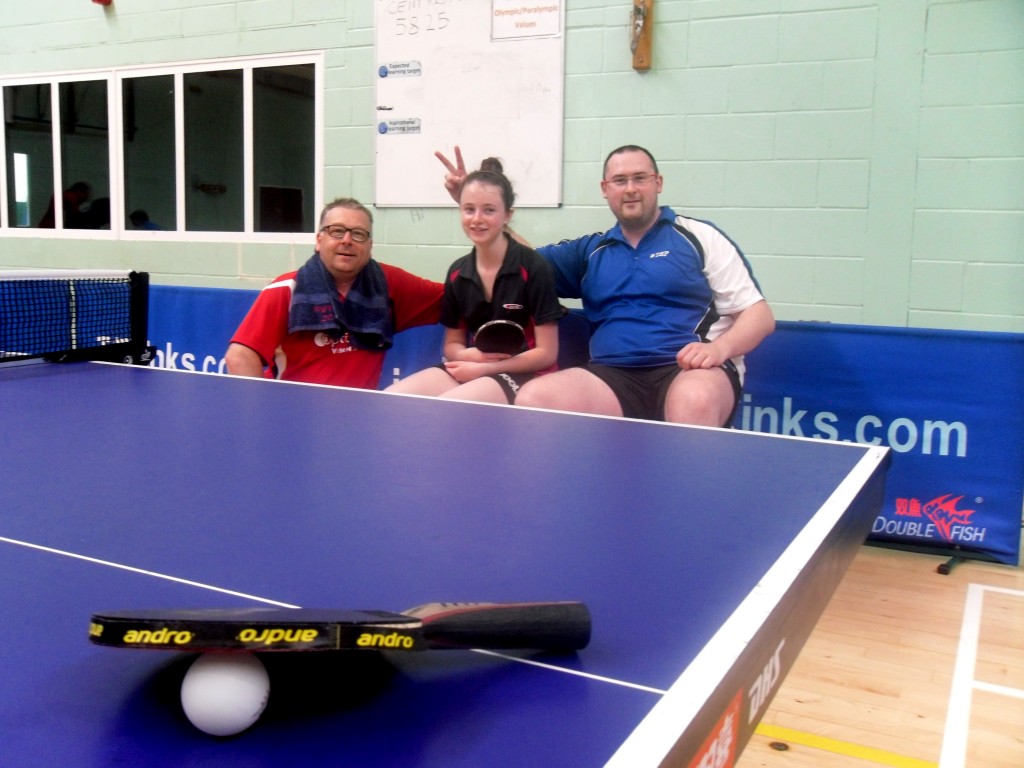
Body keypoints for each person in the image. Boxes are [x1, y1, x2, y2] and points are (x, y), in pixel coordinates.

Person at [436, 145, 776, 427]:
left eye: (640, 178)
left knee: (694, 401)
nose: (630, 188)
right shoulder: (591, 252)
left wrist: (719, 350)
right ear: (605, 189)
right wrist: (479, 206)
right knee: (535, 398)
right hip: (611, 375)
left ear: (658, 183)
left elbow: (759, 316)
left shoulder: (699, 237)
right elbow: (522, 262)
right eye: (619, 180)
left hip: (688, 369)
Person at [385, 159, 563, 404]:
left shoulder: (534, 267)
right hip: (476, 365)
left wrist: (484, 369)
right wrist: (473, 357)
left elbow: (547, 353)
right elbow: (452, 345)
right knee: (391, 400)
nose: (477, 219)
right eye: (469, 209)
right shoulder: (457, 273)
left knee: (451, 407)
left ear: (508, 215)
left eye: (489, 210)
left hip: (528, 372)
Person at [225, 197, 444, 389]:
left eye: (358, 234)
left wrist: (463, 202)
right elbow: (240, 357)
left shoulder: (389, 284)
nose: (347, 240)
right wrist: (263, 412)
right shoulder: (286, 290)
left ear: (370, 245)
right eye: (337, 231)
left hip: (358, 415)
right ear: (319, 241)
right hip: (293, 414)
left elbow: (456, 296)